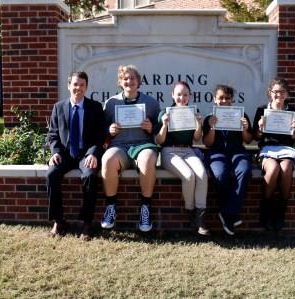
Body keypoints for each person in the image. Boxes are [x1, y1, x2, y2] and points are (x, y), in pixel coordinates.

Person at [46, 71, 106, 241]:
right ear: (69, 86)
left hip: (85, 155)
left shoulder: (95, 107)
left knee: (89, 175)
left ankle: (86, 223)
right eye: (75, 84)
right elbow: (53, 134)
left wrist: (93, 153)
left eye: (81, 85)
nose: (78, 88)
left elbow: (100, 136)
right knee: (51, 174)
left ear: (86, 87)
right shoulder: (58, 107)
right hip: (64, 155)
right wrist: (55, 152)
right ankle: (59, 221)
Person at [100, 65, 160, 232]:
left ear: (138, 81)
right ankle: (111, 206)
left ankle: (145, 207)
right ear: (120, 82)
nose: (129, 81)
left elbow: (161, 129)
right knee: (107, 159)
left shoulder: (151, 103)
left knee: (148, 159)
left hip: (143, 145)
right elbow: (102, 128)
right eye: (125, 78)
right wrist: (109, 130)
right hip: (120, 146)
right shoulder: (111, 103)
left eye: (132, 78)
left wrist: (151, 128)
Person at [154, 81, 209, 236]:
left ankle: (200, 218)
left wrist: (199, 124)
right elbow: (159, 140)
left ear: (189, 96)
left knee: (202, 175)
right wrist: (164, 124)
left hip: (188, 150)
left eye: (185, 94)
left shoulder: (193, 111)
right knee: (189, 175)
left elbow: (197, 139)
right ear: (172, 95)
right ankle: (190, 212)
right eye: (179, 94)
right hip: (169, 152)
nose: (182, 97)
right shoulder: (165, 112)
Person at [203, 85, 253, 236]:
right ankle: (231, 214)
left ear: (232, 100)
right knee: (219, 174)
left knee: (244, 171)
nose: (224, 101)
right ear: (214, 100)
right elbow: (207, 143)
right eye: (221, 98)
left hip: (237, 151)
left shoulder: (240, 115)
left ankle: (226, 212)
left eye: (227, 98)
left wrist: (245, 128)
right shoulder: (209, 118)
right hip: (216, 152)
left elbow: (249, 140)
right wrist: (212, 128)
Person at [253, 78, 295, 232]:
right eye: (275, 92)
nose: (278, 95)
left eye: (281, 92)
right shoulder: (262, 110)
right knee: (273, 169)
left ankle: (281, 208)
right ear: (270, 93)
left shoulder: (292, 111)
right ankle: (266, 207)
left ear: (286, 94)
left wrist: (294, 129)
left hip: (286, 149)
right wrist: (260, 128)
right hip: (268, 149)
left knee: (286, 168)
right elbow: (256, 137)